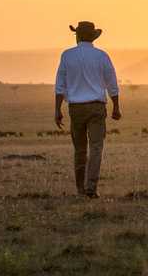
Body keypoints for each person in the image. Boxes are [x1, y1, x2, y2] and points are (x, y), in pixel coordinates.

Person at [54, 21, 121, 197]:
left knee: (80, 149)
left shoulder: (67, 55)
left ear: (77, 36)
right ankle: (91, 187)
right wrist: (116, 106)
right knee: (96, 147)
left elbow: (60, 85)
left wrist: (57, 109)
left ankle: (80, 189)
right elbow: (112, 83)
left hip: (76, 108)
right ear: (93, 37)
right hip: (97, 107)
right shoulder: (101, 56)